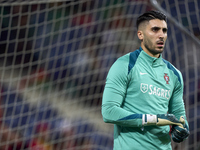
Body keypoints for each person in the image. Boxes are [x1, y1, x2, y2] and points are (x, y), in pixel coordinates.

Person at [101, 10, 189, 150]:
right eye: (155, 30)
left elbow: (179, 118)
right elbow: (109, 112)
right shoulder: (124, 65)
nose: (161, 35)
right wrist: (154, 120)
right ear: (140, 34)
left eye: (164, 31)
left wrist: (182, 128)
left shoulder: (175, 74)